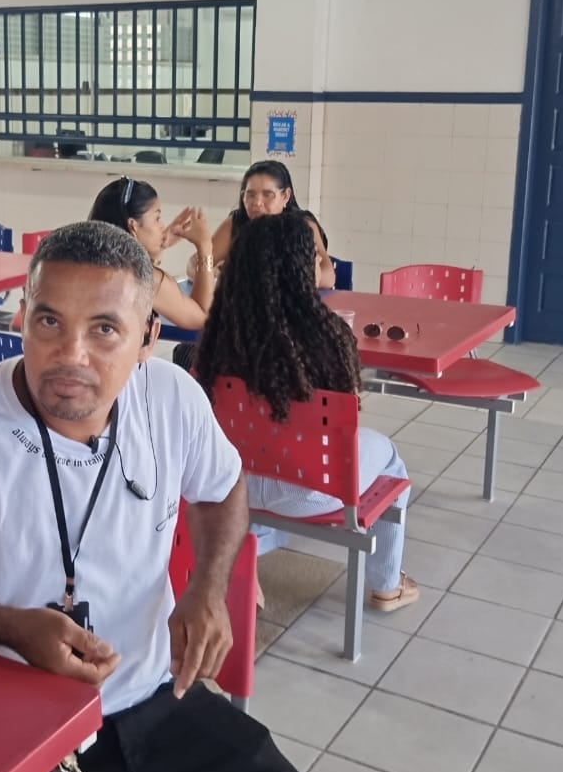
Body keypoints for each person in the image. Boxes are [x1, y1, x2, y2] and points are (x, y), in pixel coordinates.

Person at [0, 222, 303, 772]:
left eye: (104, 329)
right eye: (49, 321)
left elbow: (223, 488)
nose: (71, 355)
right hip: (11, 720)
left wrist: (208, 588)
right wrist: (9, 627)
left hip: (154, 700)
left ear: (147, 337)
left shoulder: (172, 399)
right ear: (21, 317)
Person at [194, 211, 419, 613]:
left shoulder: (221, 336)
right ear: (300, 267)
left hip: (233, 484)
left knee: (264, 453)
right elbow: (348, 417)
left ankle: (245, 557)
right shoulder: (327, 338)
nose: (320, 262)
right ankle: (387, 585)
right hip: (311, 490)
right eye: (314, 256)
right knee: (390, 458)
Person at [87, 177, 215, 332]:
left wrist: (161, 246)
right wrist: (205, 246)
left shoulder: (88, 259)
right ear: (133, 226)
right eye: (157, 218)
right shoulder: (145, 279)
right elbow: (202, 317)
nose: (162, 226)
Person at [206, 160, 335, 289]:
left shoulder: (302, 226)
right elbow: (198, 263)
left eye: (267, 195)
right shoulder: (236, 223)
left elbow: (328, 277)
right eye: (250, 195)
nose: (257, 203)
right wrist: (212, 272)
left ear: (286, 196)